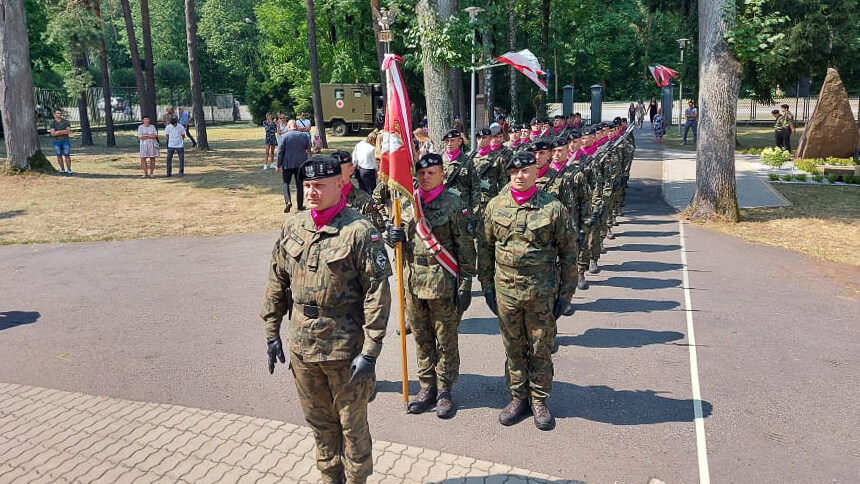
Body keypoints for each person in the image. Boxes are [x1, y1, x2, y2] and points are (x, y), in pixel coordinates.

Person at [260, 155, 391, 484]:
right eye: (307, 185)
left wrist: (371, 352)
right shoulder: (293, 226)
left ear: (339, 184)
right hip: (302, 347)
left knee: (352, 426)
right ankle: (330, 478)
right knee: (320, 425)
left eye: (319, 185)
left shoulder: (359, 231)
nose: (311, 192)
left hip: (344, 349)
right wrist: (272, 331)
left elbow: (377, 293)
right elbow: (277, 280)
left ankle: (357, 480)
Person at [478, 151, 576, 431]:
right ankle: (517, 396)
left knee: (540, 347)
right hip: (506, 292)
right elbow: (485, 249)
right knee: (513, 347)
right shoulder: (495, 206)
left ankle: (539, 400)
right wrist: (487, 287)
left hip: (540, 293)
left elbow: (569, 253)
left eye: (525, 171)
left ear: (535, 172)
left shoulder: (553, 208)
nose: (519, 176)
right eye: (514, 172)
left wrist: (566, 294)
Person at [384, 153, 476, 419]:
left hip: (442, 282)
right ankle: (426, 386)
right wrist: (392, 236)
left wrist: (466, 284)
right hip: (413, 281)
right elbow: (399, 241)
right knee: (422, 338)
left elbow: (465, 247)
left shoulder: (453, 204)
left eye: (431, 173)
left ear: (442, 175)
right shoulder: (406, 202)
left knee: (445, 339)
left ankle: (445, 389)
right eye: (421, 173)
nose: (425, 177)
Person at [332, 150, 384, 231]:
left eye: (339, 171)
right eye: (332, 172)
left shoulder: (364, 201)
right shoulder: (322, 199)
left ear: (351, 170)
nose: (335, 176)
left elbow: (377, 232)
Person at [277, 120, 312, 213]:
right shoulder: (304, 135)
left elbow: (280, 152)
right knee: (299, 184)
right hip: (301, 163)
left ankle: (288, 201)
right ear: (296, 126)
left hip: (287, 164)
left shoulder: (284, 136)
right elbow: (308, 149)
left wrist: (278, 165)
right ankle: (300, 205)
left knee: (286, 183)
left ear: (288, 127)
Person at [49, 109, 73, 175]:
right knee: (59, 156)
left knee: (67, 155)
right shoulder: (52, 123)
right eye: (57, 113)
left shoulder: (66, 122)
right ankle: (62, 169)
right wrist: (63, 131)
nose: (59, 115)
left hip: (65, 141)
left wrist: (58, 132)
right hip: (56, 142)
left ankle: (69, 169)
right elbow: (53, 133)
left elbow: (68, 131)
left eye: (60, 113)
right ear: (54, 114)